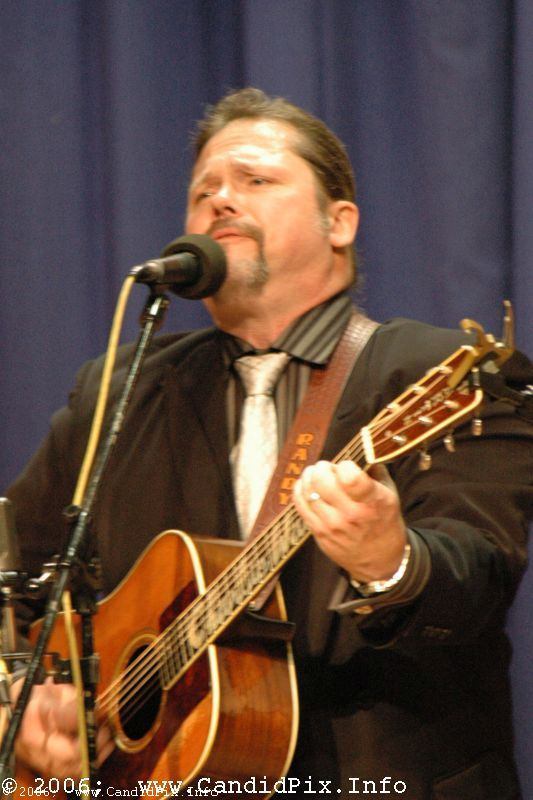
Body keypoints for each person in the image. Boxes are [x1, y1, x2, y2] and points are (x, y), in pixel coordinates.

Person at [5, 88, 533, 798]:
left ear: (339, 222)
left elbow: (481, 574)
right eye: (203, 193)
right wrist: (23, 691)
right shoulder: (121, 390)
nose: (221, 201)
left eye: (255, 180)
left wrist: (392, 562)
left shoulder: (444, 373)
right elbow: (17, 572)